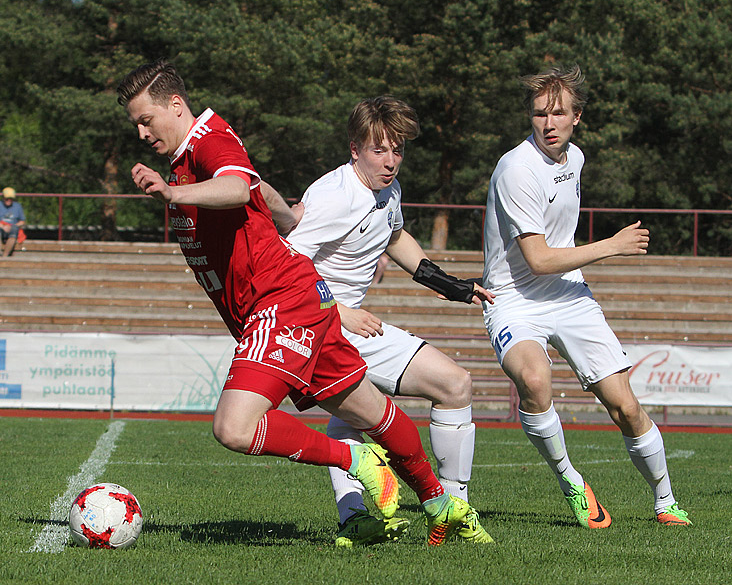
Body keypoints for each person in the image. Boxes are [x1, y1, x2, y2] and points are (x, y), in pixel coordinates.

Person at [116, 60, 484, 546]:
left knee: (233, 426)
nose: (142, 132)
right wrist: (286, 214)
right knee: (372, 412)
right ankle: (441, 503)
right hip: (296, 300)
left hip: (280, 302)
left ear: (176, 106)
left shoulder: (207, 141)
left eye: (147, 120)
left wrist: (173, 192)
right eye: (136, 125)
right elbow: (252, 185)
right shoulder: (191, 154)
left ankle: (353, 459)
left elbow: (235, 184)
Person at [481, 65, 691, 527]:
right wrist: (612, 246)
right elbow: (536, 258)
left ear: (578, 117)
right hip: (512, 298)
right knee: (535, 382)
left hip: (569, 293)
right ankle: (572, 482)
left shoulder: (574, 158)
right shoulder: (516, 168)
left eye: (558, 114)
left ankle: (666, 501)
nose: (548, 124)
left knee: (626, 406)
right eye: (539, 115)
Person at [284, 96, 496, 546]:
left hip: (349, 326)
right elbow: (285, 264)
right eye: (379, 150)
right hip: (319, 327)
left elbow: (395, 236)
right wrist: (339, 311)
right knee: (434, 390)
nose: (391, 161)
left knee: (450, 387)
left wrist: (450, 283)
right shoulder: (334, 196)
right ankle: (432, 512)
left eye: (397, 150)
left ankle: (432, 511)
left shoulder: (387, 189)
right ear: (354, 149)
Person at [0, 187, 26, 256]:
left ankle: (5, 256)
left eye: (11, 199)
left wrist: (12, 226)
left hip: (13, 226)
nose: (9, 200)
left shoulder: (18, 206)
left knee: (14, 231)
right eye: (7, 199)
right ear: (3, 197)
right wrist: (3, 226)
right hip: (0, 225)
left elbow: (22, 221)